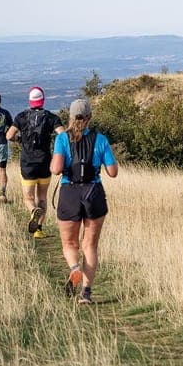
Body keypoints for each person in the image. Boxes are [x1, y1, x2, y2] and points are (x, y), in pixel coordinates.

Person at [51, 98, 118, 305]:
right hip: (94, 193)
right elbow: (113, 172)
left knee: (70, 243)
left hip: (70, 192)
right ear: (90, 117)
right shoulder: (101, 139)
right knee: (90, 246)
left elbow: (55, 169)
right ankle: (86, 293)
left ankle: (74, 268)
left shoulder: (62, 139)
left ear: (70, 117)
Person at [6, 86, 64, 238]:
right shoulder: (52, 118)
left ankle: (33, 211)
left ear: (30, 101)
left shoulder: (21, 117)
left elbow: (9, 135)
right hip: (45, 162)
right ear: (43, 100)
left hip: (28, 163)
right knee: (43, 197)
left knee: (28, 198)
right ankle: (38, 230)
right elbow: (62, 135)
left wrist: (20, 140)